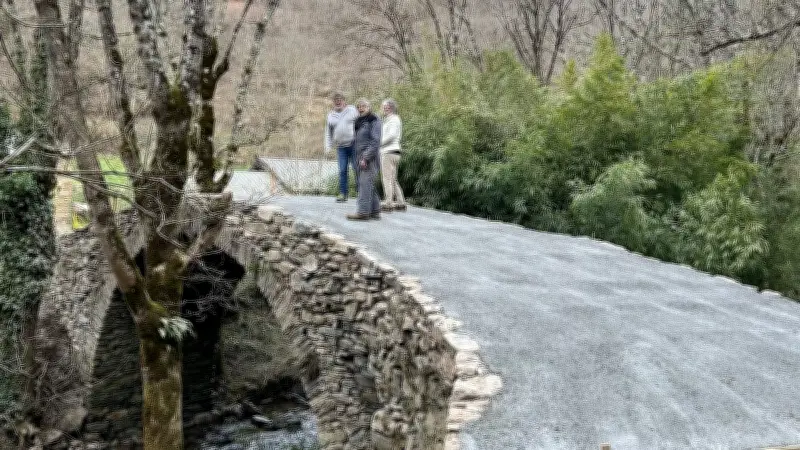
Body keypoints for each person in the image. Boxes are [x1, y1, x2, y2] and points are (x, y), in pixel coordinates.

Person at [346, 99, 382, 221]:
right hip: (358, 156)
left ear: (369, 107)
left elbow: (375, 141)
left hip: (369, 158)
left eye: (364, 106)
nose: (361, 108)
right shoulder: (358, 122)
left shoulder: (374, 120)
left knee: (364, 183)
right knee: (367, 184)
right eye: (359, 107)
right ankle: (375, 210)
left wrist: (366, 157)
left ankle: (363, 212)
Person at [324, 91, 359, 202]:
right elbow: (328, 132)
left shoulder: (352, 110)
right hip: (341, 147)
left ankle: (361, 192)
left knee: (357, 168)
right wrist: (328, 147)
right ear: (333, 102)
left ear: (344, 101)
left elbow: (361, 124)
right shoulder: (330, 115)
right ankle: (343, 194)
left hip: (354, 145)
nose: (338, 102)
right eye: (336, 100)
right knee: (342, 170)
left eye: (340, 100)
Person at [379, 98, 406, 212]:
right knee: (393, 179)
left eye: (384, 107)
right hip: (395, 151)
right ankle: (400, 202)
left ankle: (388, 202)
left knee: (386, 178)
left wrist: (379, 143)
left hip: (388, 152)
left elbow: (391, 135)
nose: (383, 109)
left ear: (389, 108)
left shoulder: (393, 119)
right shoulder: (391, 119)